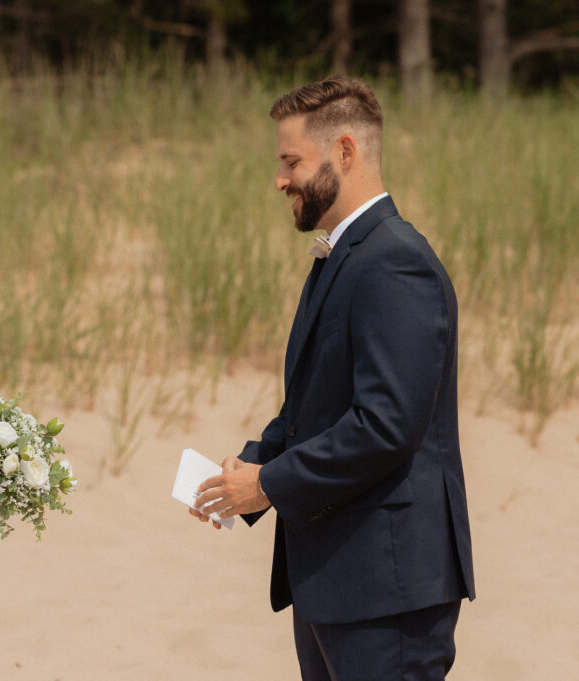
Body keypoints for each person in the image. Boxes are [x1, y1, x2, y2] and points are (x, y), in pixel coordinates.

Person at [190, 77, 475, 680]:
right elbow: (317, 404)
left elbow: (386, 426)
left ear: (345, 151)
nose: (279, 179)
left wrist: (272, 483)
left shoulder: (395, 261)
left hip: (386, 589)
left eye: (291, 161)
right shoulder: (348, 254)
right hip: (339, 578)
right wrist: (244, 471)